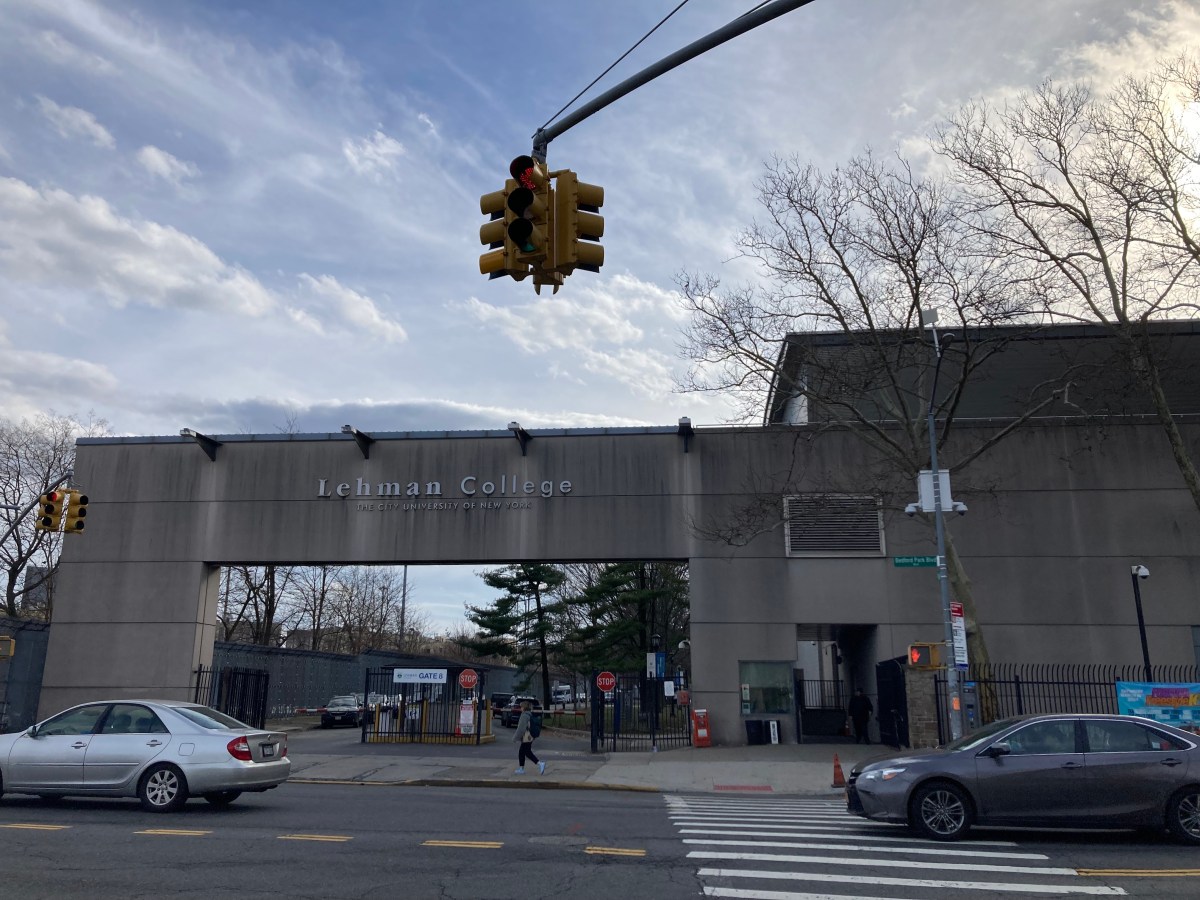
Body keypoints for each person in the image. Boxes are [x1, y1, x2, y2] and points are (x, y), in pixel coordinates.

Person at [512, 700, 546, 775]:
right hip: (530, 736)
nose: (520, 708)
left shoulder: (524, 716)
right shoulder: (529, 714)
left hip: (526, 737)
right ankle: (522, 768)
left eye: (521, 707)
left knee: (525, 752)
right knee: (524, 752)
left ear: (524, 708)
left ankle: (540, 763)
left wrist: (515, 738)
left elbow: (521, 728)